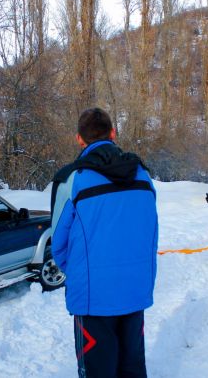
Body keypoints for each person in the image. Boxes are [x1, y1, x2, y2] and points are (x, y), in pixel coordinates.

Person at [50, 107, 158, 378]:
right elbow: (151, 231)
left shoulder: (71, 179)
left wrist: (79, 272)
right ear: (113, 133)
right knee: (132, 368)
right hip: (135, 290)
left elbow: (59, 244)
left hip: (93, 296)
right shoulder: (143, 176)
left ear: (79, 139)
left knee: (99, 371)